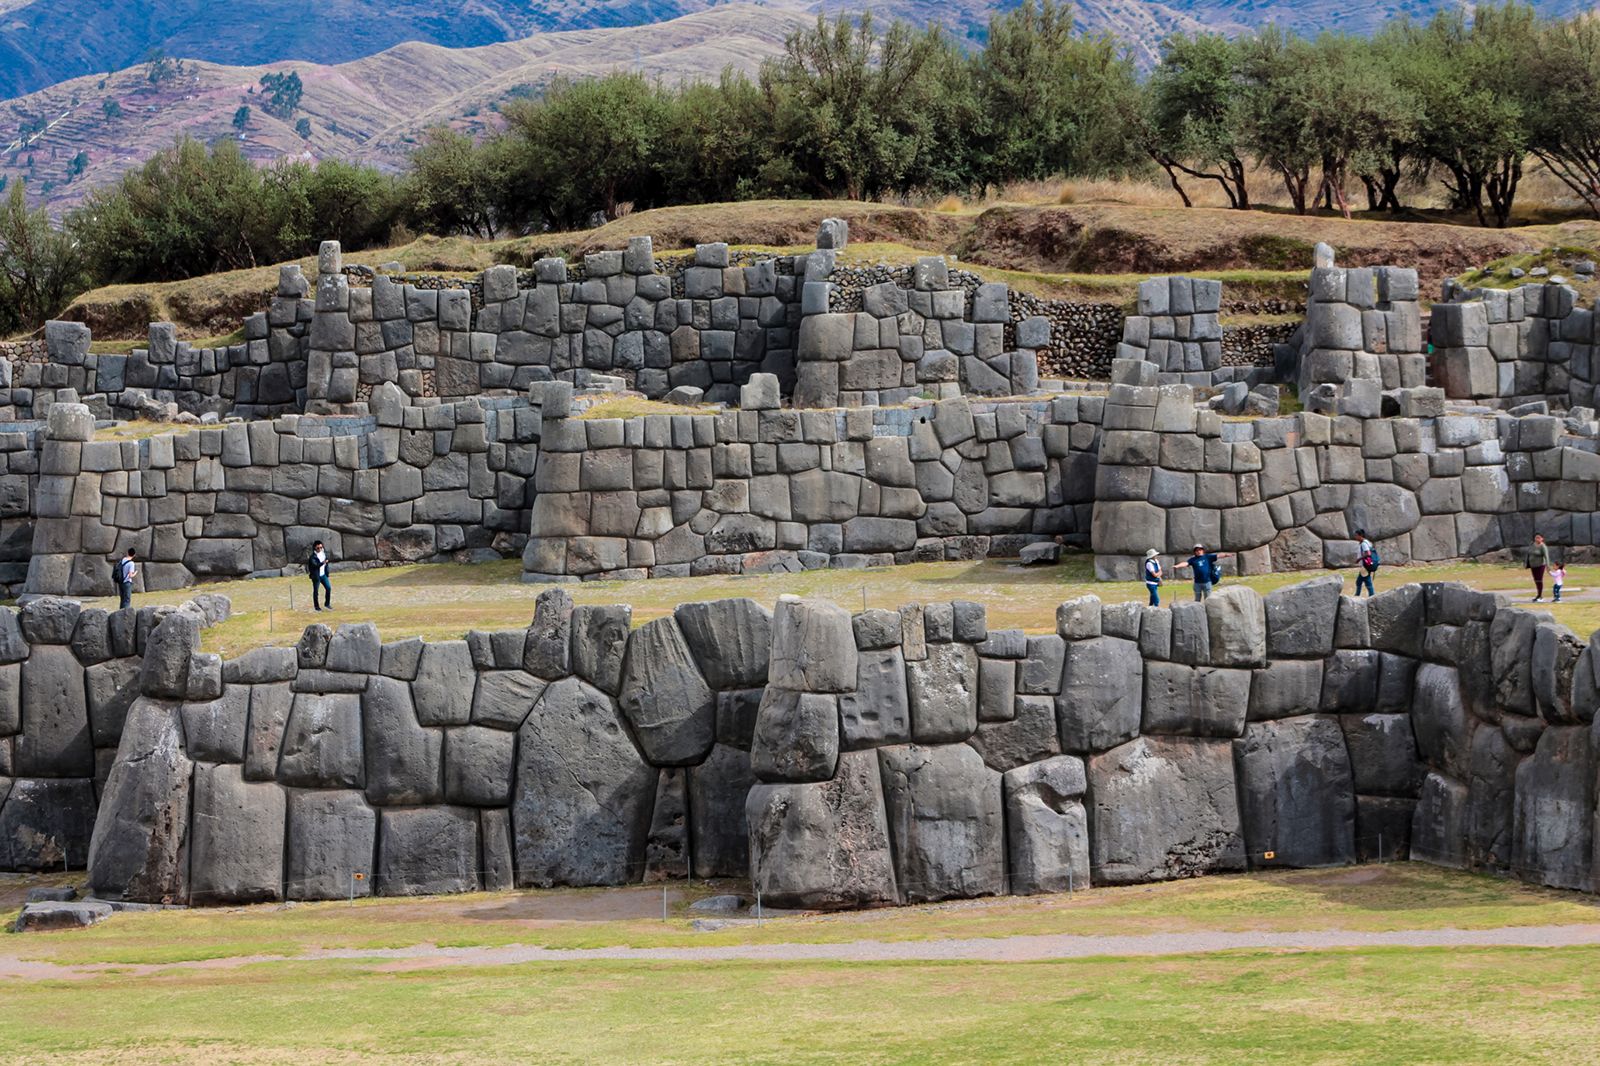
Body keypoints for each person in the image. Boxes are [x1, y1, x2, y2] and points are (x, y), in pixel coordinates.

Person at [307, 540, 333, 611]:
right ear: (315, 548)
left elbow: (326, 562)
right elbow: (315, 565)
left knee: (328, 588)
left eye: (321, 547)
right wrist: (323, 562)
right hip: (316, 576)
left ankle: (327, 604)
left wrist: (327, 572)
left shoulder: (323, 553)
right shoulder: (312, 557)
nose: (320, 549)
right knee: (316, 591)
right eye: (318, 548)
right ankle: (316, 606)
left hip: (323, 575)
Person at [1527, 534, 1550, 602]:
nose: (1537, 539)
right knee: (1536, 580)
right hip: (1533, 565)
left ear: (1542, 539)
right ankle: (1538, 595)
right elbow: (1528, 553)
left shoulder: (1543, 546)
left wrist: (1548, 566)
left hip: (1540, 565)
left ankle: (1540, 596)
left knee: (1539, 580)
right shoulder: (1532, 545)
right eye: (1536, 537)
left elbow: (1546, 556)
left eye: (1539, 538)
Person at [1355, 529, 1377, 598]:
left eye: (1356, 535)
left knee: (1366, 581)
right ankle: (1358, 595)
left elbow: (1368, 553)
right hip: (1366, 565)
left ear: (1360, 535)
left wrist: (1359, 559)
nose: (1355, 537)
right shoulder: (1366, 542)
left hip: (1365, 566)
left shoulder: (1364, 544)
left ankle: (1371, 596)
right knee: (1360, 581)